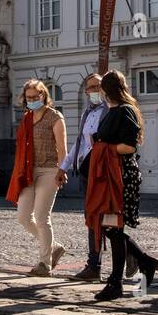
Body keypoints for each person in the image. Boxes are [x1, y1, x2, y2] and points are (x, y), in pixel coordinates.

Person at [86, 70, 158, 301]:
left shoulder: (125, 111)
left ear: (106, 90)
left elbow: (129, 146)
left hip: (120, 176)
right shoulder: (113, 111)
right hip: (109, 175)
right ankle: (146, 262)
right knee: (112, 229)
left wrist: (101, 147)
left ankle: (116, 282)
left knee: (114, 229)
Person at [58, 73, 123, 281]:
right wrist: (64, 167)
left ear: (104, 89)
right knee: (93, 218)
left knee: (104, 218)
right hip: (87, 170)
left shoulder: (111, 110)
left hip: (103, 171)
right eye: (90, 88)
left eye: (97, 87)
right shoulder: (87, 113)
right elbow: (79, 143)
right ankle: (95, 264)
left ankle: (102, 263)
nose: (93, 91)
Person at [6, 78, 68, 276]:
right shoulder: (26, 118)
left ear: (44, 95)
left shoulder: (55, 117)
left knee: (42, 217)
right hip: (28, 172)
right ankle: (55, 247)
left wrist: (61, 170)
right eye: (29, 97)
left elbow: (62, 149)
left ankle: (44, 264)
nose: (32, 99)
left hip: (49, 171)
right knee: (24, 217)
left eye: (36, 96)